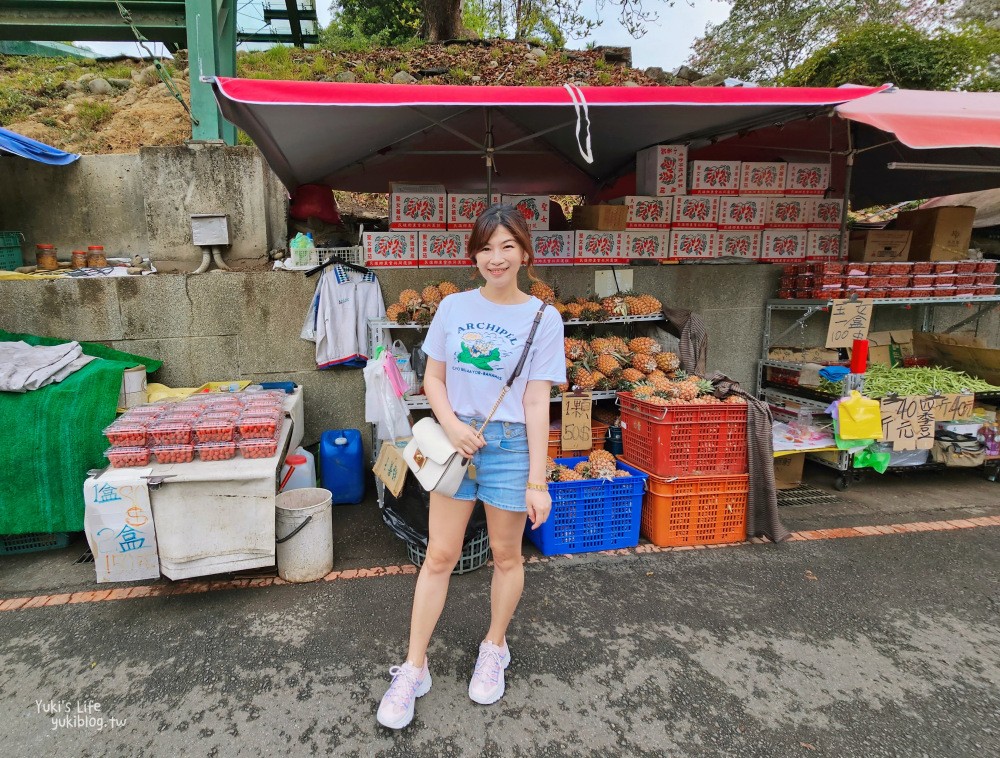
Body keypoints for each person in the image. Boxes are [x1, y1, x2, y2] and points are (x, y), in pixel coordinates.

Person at [376, 203, 567, 729]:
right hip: (457, 441)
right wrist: (453, 425)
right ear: (474, 255)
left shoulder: (542, 319)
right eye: (486, 247)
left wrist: (538, 481)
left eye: (507, 246)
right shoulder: (454, 307)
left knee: (506, 557)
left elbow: (535, 402)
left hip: (508, 447)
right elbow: (432, 380)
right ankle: (415, 666)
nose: (496, 257)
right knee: (439, 555)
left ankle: (494, 647)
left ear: (525, 252)